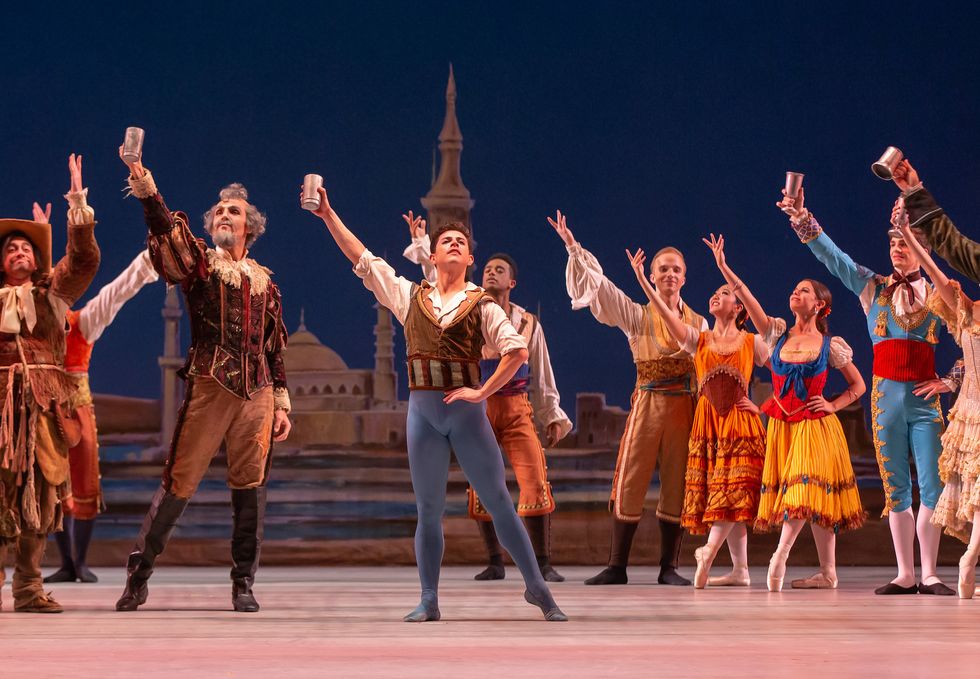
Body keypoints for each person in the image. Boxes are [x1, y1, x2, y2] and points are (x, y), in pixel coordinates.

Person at [308, 188, 565, 622]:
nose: (454, 244)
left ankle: (537, 587)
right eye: (446, 240)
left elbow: (516, 352)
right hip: (423, 414)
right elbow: (363, 260)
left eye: (461, 243)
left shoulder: (481, 304)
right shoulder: (411, 296)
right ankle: (429, 597)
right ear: (432, 251)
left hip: (465, 414)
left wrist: (482, 393)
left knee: (500, 502)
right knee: (428, 509)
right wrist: (329, 214)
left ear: (469, 261)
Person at [115, 147, 291, 613]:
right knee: (179, 480)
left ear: (250, 227)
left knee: (251, 486)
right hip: (211, 384)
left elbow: (273, 347)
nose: (223, 215)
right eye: (218, 211)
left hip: (257, 393)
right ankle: (140, 572)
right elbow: (166, 231)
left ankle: (242, 583)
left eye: (233, 211)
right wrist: (144, 184)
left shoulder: (265, 282)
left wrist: (282, 402)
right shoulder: (202, 266)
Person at [779, 185, 955, 595]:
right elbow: (832, 257)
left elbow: (973, 336)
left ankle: (929, 573)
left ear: (921, 247)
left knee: (932, 484)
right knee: (896, 486)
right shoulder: (872, 287)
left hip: (924, 402)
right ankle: (905, 573)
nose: (897, 249)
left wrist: (951, 379)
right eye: (892, 242)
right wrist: (800, 217)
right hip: (884, 401)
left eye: (905, 243)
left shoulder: (939, 294)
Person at [402, 212, 572, 582]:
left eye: (500, 270)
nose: (492, 274)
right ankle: (495, 560)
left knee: (533, 478)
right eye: (489, 269)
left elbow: (539, 370)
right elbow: (435, 291)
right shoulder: (468, 306)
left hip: (513, 404)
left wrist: (552, 413)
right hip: (475, 404)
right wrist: (420, 244)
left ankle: (541, 562)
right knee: (482, 486)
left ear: (513, 281)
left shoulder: (526, 322)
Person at [702, 233, 866, 591]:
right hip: (783, 428)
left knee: (804, 490)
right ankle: (828, 572)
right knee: (812, 495)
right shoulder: (777, 335)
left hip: (816, 427)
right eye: (795, 289)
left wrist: (833, 404)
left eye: (805, 290)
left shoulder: (830, 345)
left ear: (821, 305)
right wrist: (723, 267)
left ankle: (781, 555)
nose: (797, 293)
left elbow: (858, 385)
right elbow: (748, 300)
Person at [552, 210, 705, 586]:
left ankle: (669, 567)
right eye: (663, 269)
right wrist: (574, 248)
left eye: (676, 270)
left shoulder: (700, 323)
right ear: (651, 276)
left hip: (685, 407)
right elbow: (603, 290)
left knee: (677, 481)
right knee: (631, 479)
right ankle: (617, 565)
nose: (669, 275)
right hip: (649, 404)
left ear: (684, 277)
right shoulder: (638, 316)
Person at [32, 198, 160, 585]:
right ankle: (66, 562)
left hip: (78, 409)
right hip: (43, 409)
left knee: (85, 484)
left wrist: (147, 262)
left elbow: (116, 293)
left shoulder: (81, 323)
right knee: (50, 484)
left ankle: (79, 561)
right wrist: (42, 241)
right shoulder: (26, 325)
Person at [626, 245, 767, 590]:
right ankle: (741, 570)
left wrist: (766, 407)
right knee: (725, 492)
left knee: (735, 492)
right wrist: (645, 283)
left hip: (740, 425)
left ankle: (709, 550)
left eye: (726, 294)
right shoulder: (698, 338)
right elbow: (670, 321)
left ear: (739, 307)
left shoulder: (752, 341)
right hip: (707, 426)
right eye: (716, 293)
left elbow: (787, 371)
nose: (718, 296)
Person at [0, 154, 100, 612]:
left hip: (40, 408)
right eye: (10, 249)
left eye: (26, 248)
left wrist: (76, 203)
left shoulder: (50, 294)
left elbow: (82, 261)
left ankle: (28, 588)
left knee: (39, 494)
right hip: (1, 409)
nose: (19, 252)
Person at [891, 214, 980, 598]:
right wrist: (910, 235)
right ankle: (965, 556)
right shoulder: (967, 310)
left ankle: (968, 556)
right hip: (970, 411)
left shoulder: (968, 313)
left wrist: (950, 379)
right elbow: (939, 280)